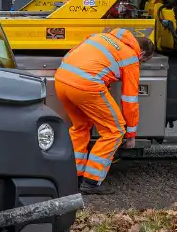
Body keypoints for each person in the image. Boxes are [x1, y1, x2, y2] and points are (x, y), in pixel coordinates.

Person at [55, 29, 155, 195]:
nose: (140, 63)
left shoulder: (101, 36)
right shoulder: (131, 57)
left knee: (81, 127)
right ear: (142, 52)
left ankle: (73, 177)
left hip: (62, 80)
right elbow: (130, 101)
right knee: (114, 131)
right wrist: (130, 136)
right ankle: (91, 182)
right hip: (86, 86)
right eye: (143, 61)